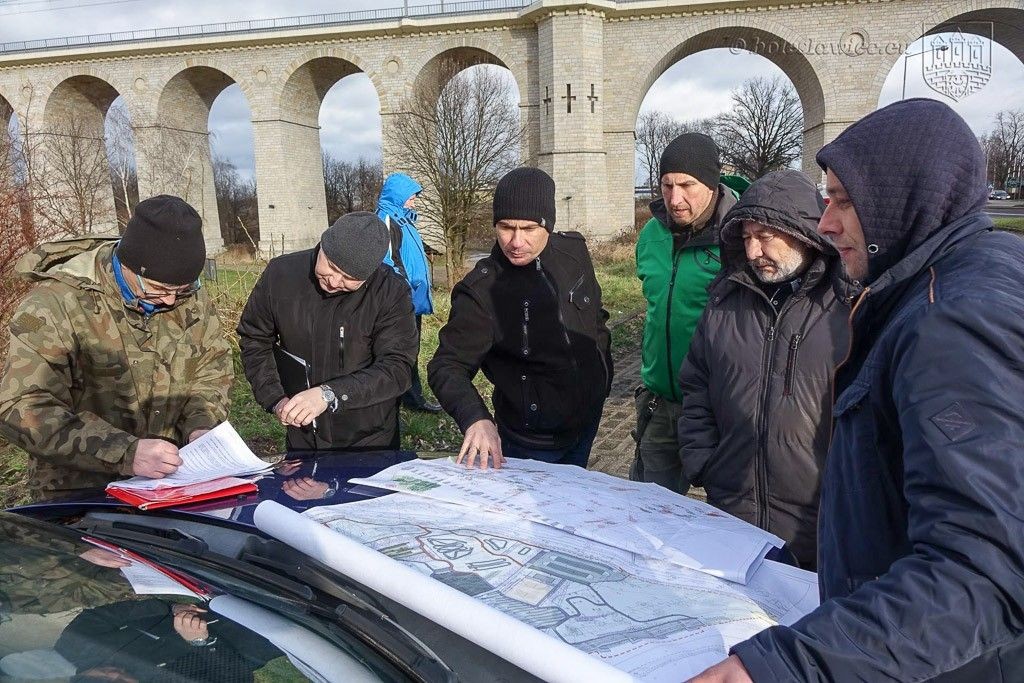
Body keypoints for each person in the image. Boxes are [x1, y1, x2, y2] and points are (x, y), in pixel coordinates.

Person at [690, 99, 1024, 681]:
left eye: (844, 199)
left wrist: (785, 666)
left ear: (904, 197)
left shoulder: (949, 321)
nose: (827, 222)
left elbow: (978, 571)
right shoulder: (957, 280)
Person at [0, 195, 232, 497]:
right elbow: (22, 407)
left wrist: (201, 426)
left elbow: (211, 370)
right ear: (129, 265)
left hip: (169, 485)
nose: (171, 301)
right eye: (160, 290)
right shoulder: (55, 305)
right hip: (78, 493)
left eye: (183, 289)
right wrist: (124, 451)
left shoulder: (189, 298)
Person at [677, 169, 846, 570]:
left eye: (766, 236)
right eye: (746, 237)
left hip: (820, 525)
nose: (753, 251)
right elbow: (696, 383)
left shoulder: (846, 306)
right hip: (733, 512)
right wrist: (703, 461)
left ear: (803, 232)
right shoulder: (725, 300)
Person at [428, 167, 612, 469]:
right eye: (505, 227)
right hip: (530, 443)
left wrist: (602, 380)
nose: (515, 241)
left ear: (548, 226)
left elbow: (596, 320)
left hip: (586, 424)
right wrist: (476, 418)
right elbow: (445, 366)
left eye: (528, 229)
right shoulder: (481, 291)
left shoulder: (574, 252)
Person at [237, 211, 417, 451]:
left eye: (349, 278)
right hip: (304, 435)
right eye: (331, 266)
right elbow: (254, 339)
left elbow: (397, 367)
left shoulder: (390, 292)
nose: (333, 281)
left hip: (369, 438)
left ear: (369, 276)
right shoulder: (281, 275)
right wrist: (275, 398)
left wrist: (331, 394)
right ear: (323, 244)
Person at [632, 132, 738, 493]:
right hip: (659, 401)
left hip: (716, 405)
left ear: (711, 182)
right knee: (649, 508)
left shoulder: (739, 236)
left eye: (687, 185)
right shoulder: (650, 235)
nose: (675, 199)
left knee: (726, 513)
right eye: (666, 185)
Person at [376, 172, 441, 413]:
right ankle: (410, 400)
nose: (414, 201)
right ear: (398, 196)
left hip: (412, 299)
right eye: (411, 197)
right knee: (402, 351)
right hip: (400, 301)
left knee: (409, 349)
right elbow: (386, 262)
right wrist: (404, 288)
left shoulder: (403, 219)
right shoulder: (386, 220)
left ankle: (408, 398)